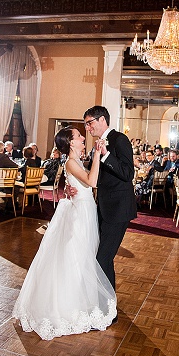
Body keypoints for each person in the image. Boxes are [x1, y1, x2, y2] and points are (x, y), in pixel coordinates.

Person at [12, 127, 117, 339]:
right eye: (78, 136)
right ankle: (70, 304)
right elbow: (92, 182)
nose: (82, 138)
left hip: (85, 210)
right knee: (77, 257)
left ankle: (82, 299)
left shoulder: (74, 161)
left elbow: (79, 182)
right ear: (70, 142)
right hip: (81, 214)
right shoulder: (70, 162)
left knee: (84, 256)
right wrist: (97, 154)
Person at [79, 106, 137, 302]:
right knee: (103, 257)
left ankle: (107, 308)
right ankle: (105, 304)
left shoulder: (120, 139)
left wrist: (105, 155)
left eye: (90, 123)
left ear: (102, 120)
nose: (87, 128)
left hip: (118, 209)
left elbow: (128, 173)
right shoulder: (98, 143)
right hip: (103, 207)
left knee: (101, 258)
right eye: (86, 124)